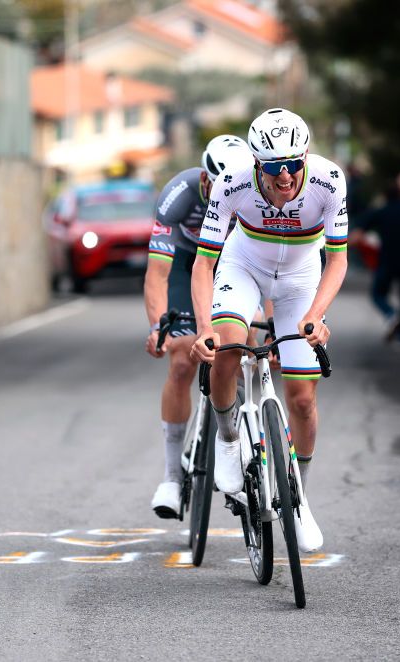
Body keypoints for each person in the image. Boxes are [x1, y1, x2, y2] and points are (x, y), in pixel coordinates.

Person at [191, 108, 348, 553]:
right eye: (274, 167)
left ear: (306, 157)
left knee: (302, 397)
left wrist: (317, 316)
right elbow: (204, 264)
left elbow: (337, 260)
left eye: (294, 164)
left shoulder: (328, 180)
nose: (286, 176)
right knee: (225, 348)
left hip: (300, 279)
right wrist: (204, 327)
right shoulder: (232, 183)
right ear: (257, 164)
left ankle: (299, 499)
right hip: (244, 267)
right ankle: (227, 439)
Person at [145, 135, 253, 519]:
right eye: (212, 182)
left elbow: (273, 263)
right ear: (203, 177)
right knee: (180, 360)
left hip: (236, 263)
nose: (217, 191)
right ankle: (173, 477)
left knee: (248, 347)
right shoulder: (179, 193)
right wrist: (160, 326)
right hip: (189, 262)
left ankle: (248, 444)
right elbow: (158, 275)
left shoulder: (253, 193)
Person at [357, 172, 400, 344]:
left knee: (377, 293)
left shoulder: (381, 212)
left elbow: (358, 233)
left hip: (388, 259)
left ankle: (391, 314)